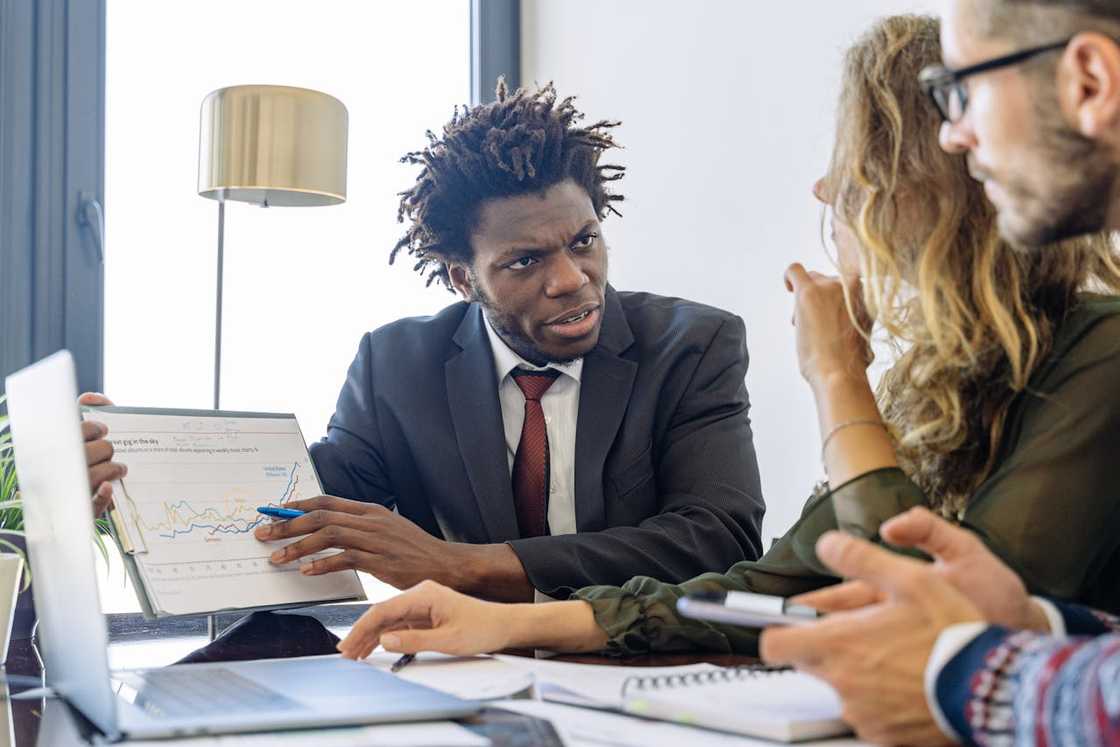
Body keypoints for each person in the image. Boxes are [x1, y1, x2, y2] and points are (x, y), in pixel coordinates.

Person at [334, 13, 1120, 661]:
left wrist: (838, 380)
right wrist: (515, 620)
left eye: (857, 161)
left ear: (945, 181)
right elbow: (770, 586)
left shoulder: (1099, 350)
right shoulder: (940, 381)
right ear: (463, 281)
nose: (824, 187)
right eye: (526, 259)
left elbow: (934, 614)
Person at [82, 81, 766, 602]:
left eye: (584, 241)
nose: (570, 279)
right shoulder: (395, 367)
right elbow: (306, 506)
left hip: (649, 663)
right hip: (467, 674)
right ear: (462, 278)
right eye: (525, 261)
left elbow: (718, 539)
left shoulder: (693, 345)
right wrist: (129, 471)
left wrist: (462, 563)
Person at [760, 0, 1120, 744]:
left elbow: (920, 602)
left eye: (963, 90)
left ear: (1090, 80)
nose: (955, 133)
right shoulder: (952, 370)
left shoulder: (1100, 346)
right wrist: (1039, 625)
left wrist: (964, 670)